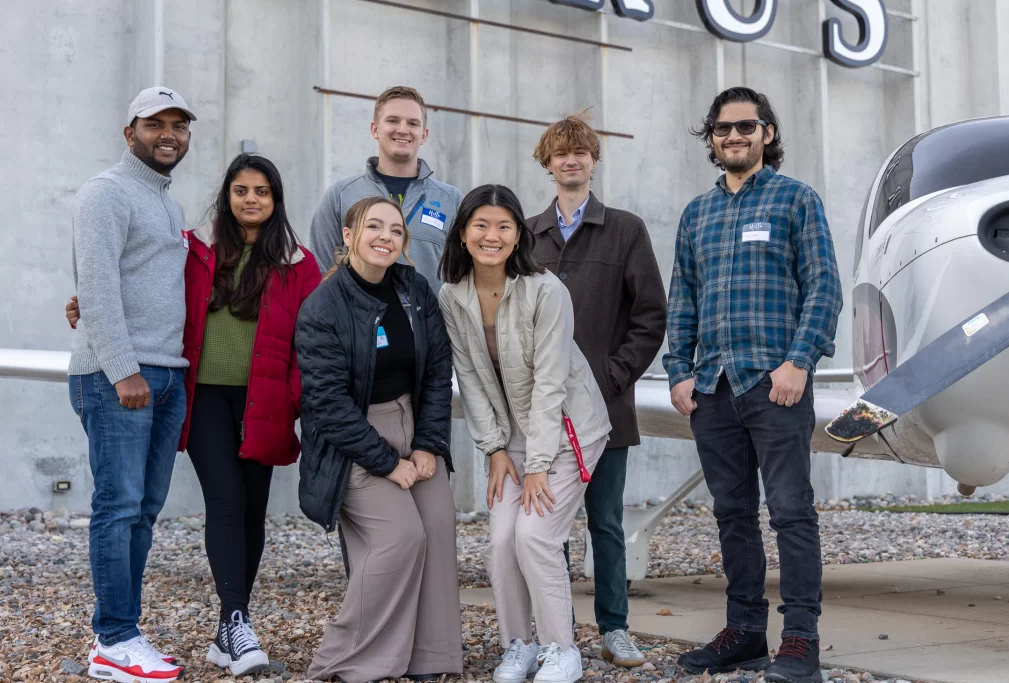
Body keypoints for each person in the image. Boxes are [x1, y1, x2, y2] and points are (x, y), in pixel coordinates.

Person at [68, 153, 322, 676]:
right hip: (203, 395)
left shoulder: (300, 263)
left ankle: (232, 629)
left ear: (276, 201)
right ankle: (233, 620)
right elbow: (146, 286)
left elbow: (313, 337)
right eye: (241, 190)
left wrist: (297, 398)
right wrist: (83, 303)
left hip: (267, 402)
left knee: (253, 508)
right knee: (226, 500)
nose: (251, 199)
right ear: (226, 196)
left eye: (262, 192)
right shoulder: (197, 249)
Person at [663, 87, 842, 683]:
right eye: (722, 129)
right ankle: (744, 630)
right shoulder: (697, 214)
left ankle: (800, 640)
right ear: (711, 139)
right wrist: (679, 372)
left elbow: (823, 288)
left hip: (775, 384)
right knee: (732, 513)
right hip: (712, 387)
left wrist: (799, 363)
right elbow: (682, 297)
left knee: (791, 511)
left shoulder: (797, 200)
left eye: (745, 126)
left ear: (767, 132)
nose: (733, 137)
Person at [438, 185, 612, 683]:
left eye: (504, 226)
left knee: (535, 537)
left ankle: (564, 649)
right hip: (511, 434)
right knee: (500, 541)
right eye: (481, 225)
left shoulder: (546, 289)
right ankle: (519, 644)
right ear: (464, 232)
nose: (492, 236)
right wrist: (494, 448)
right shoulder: (453, 295)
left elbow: (552, 382)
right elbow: (468, 378)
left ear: (519, 235)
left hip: (568, 429)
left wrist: (537, 464)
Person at [295, 196, 461, 683]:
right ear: (348, 236)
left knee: (439, 524)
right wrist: (389, 463)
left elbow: (436, 371)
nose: (385, 237)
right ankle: (343, 659)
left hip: (414, 425)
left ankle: (427, 657)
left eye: (395, 230)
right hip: (352, 440)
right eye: (374, 227)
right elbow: (326, 405)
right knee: (400, 537)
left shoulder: (414, 290)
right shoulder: (322, 307)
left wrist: (429, 444)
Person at [526, 112, 667, 668]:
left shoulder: (626, 229)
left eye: (581, 151)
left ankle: (614, 628)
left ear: (593, 160)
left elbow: (651, 315)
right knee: (546, 528)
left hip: (605, 410)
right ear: (548, 162)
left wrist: (613, 374)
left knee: (605, 522)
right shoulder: (527, 234)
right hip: (541, 414)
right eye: (561, 152)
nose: (571, 159)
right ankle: (555, 634)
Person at [67, 86, 195, 683]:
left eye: (179, 124)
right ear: (130, 134)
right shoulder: (106, 193)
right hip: (121, 379)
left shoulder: (168, 203)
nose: (169, 134)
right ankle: (112, 640)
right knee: (117, 510)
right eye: (155, 124)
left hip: (165, 376)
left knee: (142, 511)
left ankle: (124, 630)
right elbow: (95, 289)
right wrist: (122, 370)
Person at [309, 85, 463, 293]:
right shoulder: (340, 195)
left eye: (413, 123)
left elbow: (463, 274)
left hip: (428, 323)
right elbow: (320, 271)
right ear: (375, 129)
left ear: (424, 134)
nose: (402, 129)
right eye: (392, 120)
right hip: (357, 324)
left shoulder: (451, 200)